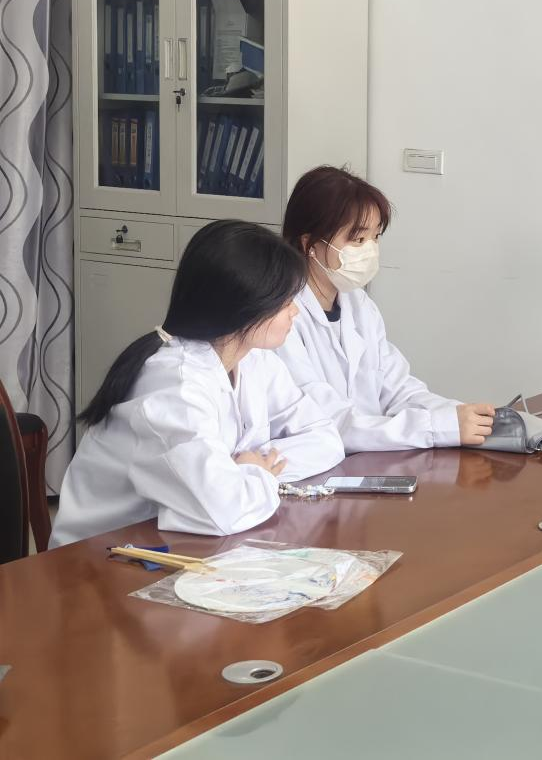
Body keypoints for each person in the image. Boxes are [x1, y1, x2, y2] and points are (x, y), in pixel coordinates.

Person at [51, 221, 344, 547]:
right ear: (244, 306)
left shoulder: (255, 361)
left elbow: (327, 439)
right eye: (285, 301)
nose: (295, 311)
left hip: (178, 546)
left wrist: (246, 469)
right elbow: (224, 511)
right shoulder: (172, 386)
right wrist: (254, 474)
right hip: (99, 560)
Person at [277, 166, 496, 452]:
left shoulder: (358, 305)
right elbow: (327, 421)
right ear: (310, 244)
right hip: (316, 465)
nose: (370, 250)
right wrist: (437, 427)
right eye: (358, 240)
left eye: (375, 237)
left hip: (370, 458)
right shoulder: (279, 316)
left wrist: (460, 415)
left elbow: (397, 388)